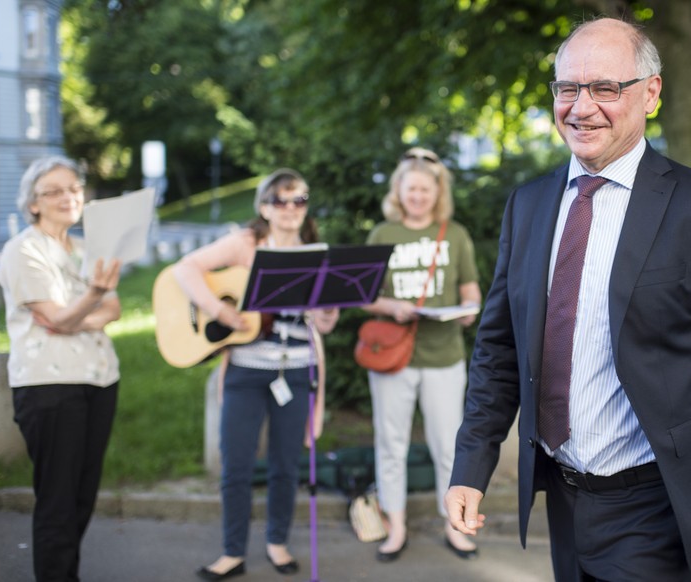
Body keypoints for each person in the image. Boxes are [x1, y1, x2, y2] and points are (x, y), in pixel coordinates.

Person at [444, 18, 691, 582]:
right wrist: (471, 467)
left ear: (650, 94)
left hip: (653, 502)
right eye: (567, 88)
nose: (581, 107)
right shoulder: (528, 206)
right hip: (562, 493)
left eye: (605, 88)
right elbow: (499, 348)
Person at [173, 168, 338, 580]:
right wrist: (221, 311)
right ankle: (232, 551)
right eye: (280, 201)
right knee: (237, 464)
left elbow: (326, 324)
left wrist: (326, 310)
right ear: (264, 206)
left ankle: (277, 543)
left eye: (298, 200)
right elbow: (185, 269)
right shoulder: (247, 243)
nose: (290, 209)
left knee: (286, 465)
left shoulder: (316, 251)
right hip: (245, 371)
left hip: (297, 371)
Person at [0, 156, 122, 582]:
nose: (68, 197)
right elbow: (68, 316)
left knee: (82, 497)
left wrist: (75, 314)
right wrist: (93, 298)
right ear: (33, 203)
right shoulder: (22, 250)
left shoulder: (87, 249)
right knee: (57, 501)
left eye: (74, 188)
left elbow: (112, 310)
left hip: (100, 380)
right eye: (54, 190)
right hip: (50, 387)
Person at [362, 147, 482, 563]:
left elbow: (470, 292)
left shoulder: (455, 235)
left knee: (449, 446)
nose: (418, 196)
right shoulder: (382, 235)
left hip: (443, 355)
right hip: (393, 356)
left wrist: (468, 312)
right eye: (411, 189)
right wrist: (390, 307)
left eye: (425, 189)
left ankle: (455, 526)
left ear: (437, 192)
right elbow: (362, 296)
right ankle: (395, 528)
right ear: (399, 191)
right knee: (390, 443)